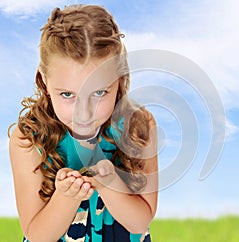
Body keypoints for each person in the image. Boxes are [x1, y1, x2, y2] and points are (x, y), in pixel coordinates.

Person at [9, 4, 158, 242]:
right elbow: (36, 235)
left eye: (99, 92)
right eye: (67, 95)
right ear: (44, 81)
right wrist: (66, 198)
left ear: (119, 80)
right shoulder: (28, 139)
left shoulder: (139, 126)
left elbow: (140, 222)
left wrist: (110, 184)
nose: (83, 113)